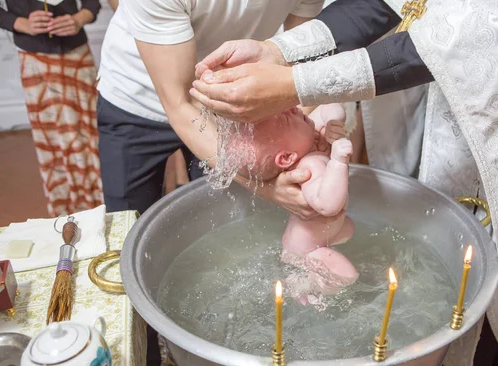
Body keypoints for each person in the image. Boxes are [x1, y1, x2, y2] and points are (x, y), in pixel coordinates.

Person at [189, 1, 498, 366]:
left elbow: (468, 36)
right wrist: (279, 51)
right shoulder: (304, 161)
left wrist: (294, 83)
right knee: (427, 309)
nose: (297, 112)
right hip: (435, 134)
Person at [97, 0, 326, 217]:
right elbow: (181, 104)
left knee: (225, 216)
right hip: (135, 97)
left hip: (232, 100)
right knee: (128, 219)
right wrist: (267, 189)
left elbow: (299, 64)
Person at [0, 0, 103, 217]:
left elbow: (93, 4)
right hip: (35, 61)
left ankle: (102, 206)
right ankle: (65, 212)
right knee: (52, 140)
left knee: (92, 132)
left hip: (77, 56)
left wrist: (78, 19)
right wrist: (21, 23)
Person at [245, 104, 358, 304]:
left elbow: (330, 109)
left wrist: (333, 123)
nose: (293, 109)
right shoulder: (307, 167)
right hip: (308, 252)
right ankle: (304, 284)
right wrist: (338, 162)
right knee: (347, 277)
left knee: (349, 230)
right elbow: (328, 205)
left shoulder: (307, 139)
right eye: (287, 117)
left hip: (322, 235)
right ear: (287, 157)